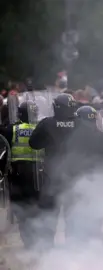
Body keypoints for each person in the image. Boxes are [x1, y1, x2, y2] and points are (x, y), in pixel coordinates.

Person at [29, 93, 78, 250]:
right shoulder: (80, 123)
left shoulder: (47, 123)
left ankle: (46, 246)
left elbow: (34, 144)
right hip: (74, 175)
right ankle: (74, 245)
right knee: (73, 212)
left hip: (52, 174)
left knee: (49, 212)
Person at [59, 105, 103, 246]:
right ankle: (93, 240)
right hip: (96, 180)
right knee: (96, 209)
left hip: (73, 179)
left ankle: (72, 242)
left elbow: (62, 157)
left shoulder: (69, 136)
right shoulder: (102, 136)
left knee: (72, 211)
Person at [0, 101, 44, 249]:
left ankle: (28, 241)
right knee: (37, 208)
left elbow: (3, 142)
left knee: (21, 209)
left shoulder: (13, 129)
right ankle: (39, 238)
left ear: (20, 113)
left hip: (18, 175)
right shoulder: (41, 128)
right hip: (38, 175)